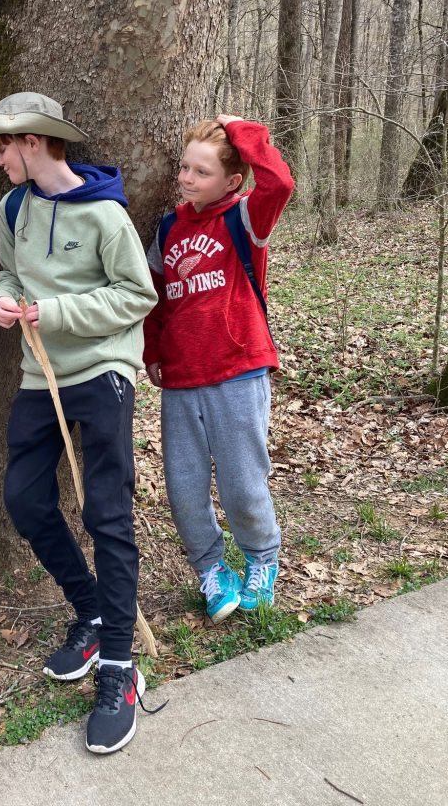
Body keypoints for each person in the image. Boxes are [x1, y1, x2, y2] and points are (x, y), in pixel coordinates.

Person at [0, 92, 158, 755]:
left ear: (38, 143)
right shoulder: (13, 206)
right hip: (36, 374)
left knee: (107, 513)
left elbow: (138, 295)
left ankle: (119, 668)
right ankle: (93, 610)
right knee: (23, 498)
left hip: (102, 370)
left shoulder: (106, 215)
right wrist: (3, 302)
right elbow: (13, 276)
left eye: (5, 145)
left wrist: (56, 312)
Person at [143, 115, 294, 624]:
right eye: (185, 168)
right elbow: (154, 298)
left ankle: (261, 558)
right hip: (182, 378)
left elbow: (281, 182)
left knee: (241, 483)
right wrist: (153, 352)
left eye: (201, 172)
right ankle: (211, 569)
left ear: (231, 181)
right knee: (183, 488)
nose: (187, 179)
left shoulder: (246, 217)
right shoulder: (168, 227)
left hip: (238, 368)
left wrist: (241, 129)